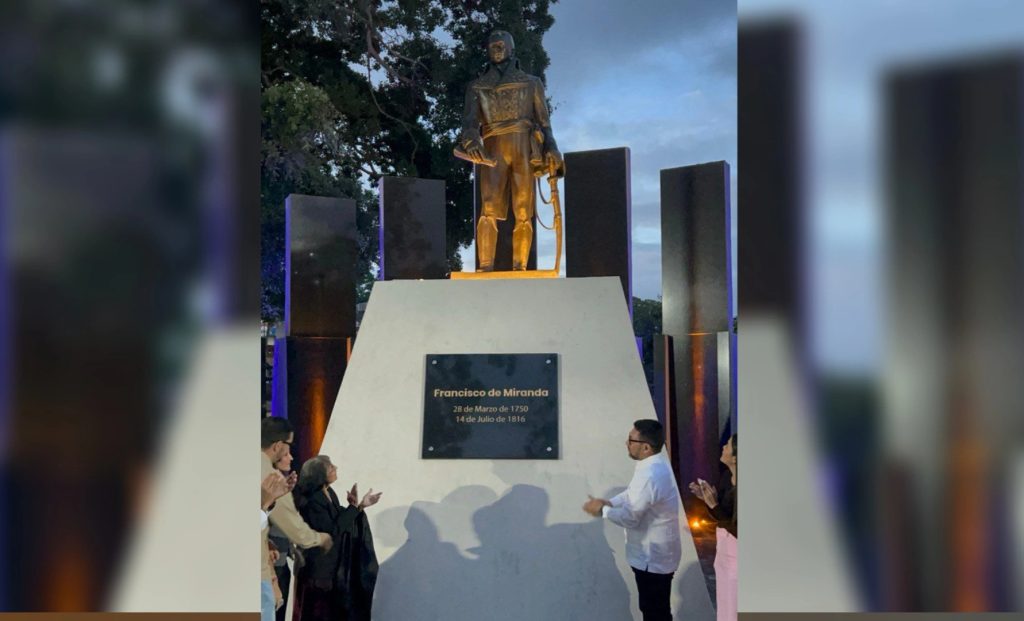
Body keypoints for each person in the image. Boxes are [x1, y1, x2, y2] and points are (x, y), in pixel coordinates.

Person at [456, 29, 564, 271]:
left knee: (524, 210)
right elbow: (469, 123)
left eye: (501, 46)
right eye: (492, 46)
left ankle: (520, 267)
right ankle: (484, 267)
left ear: (511, 49)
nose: (496, 49)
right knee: (489, 209)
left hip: (523, 149)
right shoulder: (477, 87)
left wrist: (552, 147)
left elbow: (545, 123)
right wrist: (472, 142)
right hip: (493, 149)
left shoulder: (531, 83)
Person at [583, 419, 681, 621]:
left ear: (646, 447)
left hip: (651, 558)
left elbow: (630, 519)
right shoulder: (654, 463)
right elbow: (632, 493)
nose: (626, 443)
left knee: (655, 613)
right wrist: (609, 502)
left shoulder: (651, 474)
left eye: (630, 440)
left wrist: (602, 510)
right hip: (656, 555)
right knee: (656, 609)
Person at [291, 455, 381, 621]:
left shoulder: (329, 492)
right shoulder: (311, 499)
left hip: (333, 568)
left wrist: (360, 506)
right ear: (319, 474)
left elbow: (341, 520)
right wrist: (353, 508)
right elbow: (332, 529)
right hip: (317, 570)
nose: (336, 468)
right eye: (331, 468)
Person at [261, 417, 333, 621]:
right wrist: (321, 539)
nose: (290, 455)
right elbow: (295, 529)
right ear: (277, 446)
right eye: (288, 447)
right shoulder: (270, 476)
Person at [690, 435, 737, 621]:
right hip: (723, 552)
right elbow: (722, 515)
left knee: (734, 605)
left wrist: (714, 506)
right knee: (724, 605)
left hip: (737, 556)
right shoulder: (727, 478)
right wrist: (707, 499)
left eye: (727, 445)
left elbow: (736, 527)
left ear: (736, 457)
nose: (723, 447)